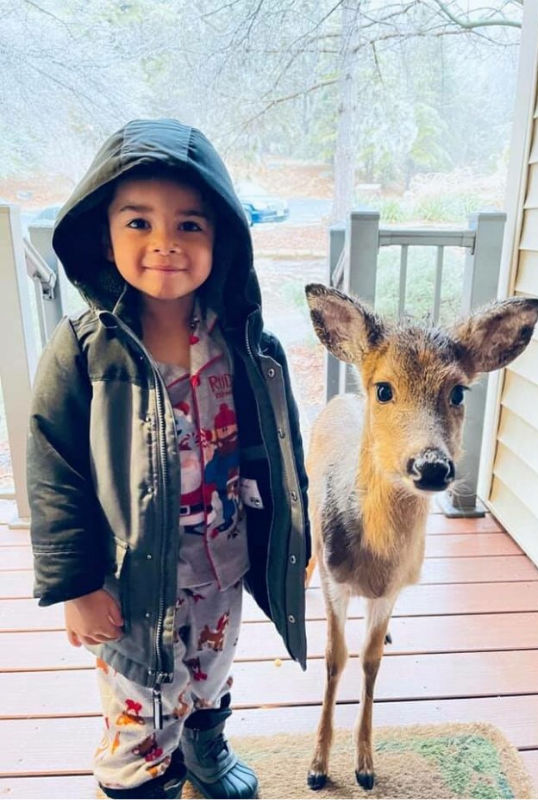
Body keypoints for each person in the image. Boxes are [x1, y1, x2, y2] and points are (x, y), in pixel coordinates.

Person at [27, 118, 310, 798]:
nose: (164, 243)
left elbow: (281, 451)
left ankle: (206, 747)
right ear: (105, 237)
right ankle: (142, 781)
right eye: (139, 223)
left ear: (222, 238)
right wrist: (76, 586)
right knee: (142, 705)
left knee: (211, 672)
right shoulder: (84, 351)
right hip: (128, 580)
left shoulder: (248, 346)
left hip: (223, 563)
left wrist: (294, 537)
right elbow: (53, 472)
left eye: (189, 224)